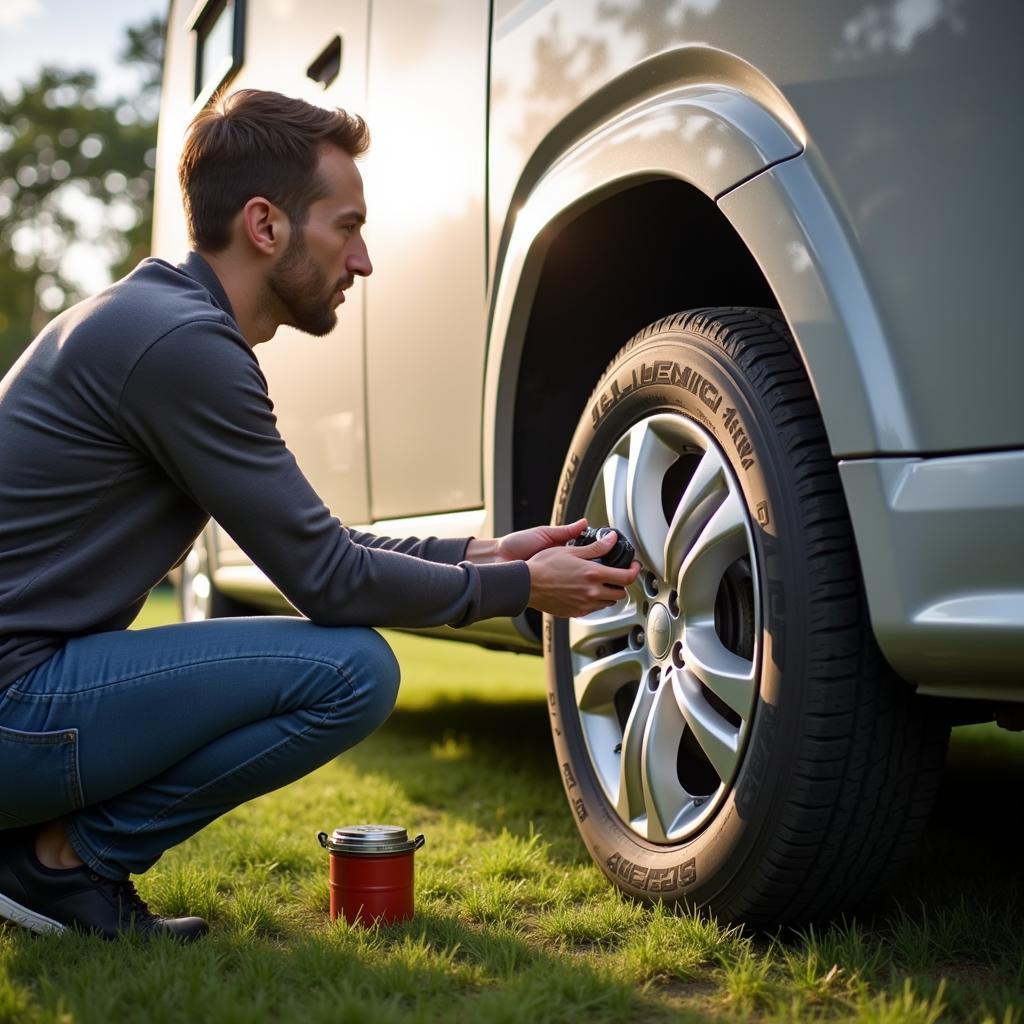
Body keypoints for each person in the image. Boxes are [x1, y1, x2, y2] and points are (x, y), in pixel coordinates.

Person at [0, 90, 639, 942]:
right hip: (14, 707)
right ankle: (60, 868)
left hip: (22, 694)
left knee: (343, 659)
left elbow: (313, 549)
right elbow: (329, 580)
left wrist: (485, 550)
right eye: (347, 226)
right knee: (351, 673)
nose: (364, 259)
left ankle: (41, 855)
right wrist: (518, 586)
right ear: (266, 226)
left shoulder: (154, 319)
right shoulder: (181, 346)